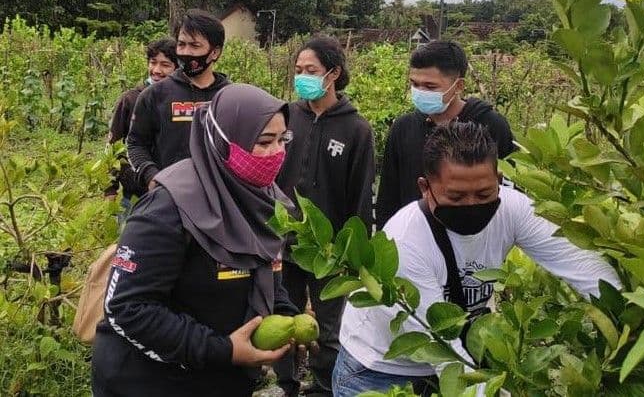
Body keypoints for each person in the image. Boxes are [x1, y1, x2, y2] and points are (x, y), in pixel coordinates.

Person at [333, 121, 621, 396]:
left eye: (484, 193)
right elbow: (443, 352)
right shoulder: (405, 241)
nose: (472, 205)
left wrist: (627, 319)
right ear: (425, 187)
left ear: (499, 180)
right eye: (456, 197)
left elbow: (582, 264)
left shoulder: (514, 209)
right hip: (379, 370)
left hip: (452, 363)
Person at [92, 84, 302, 396]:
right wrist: (222, 349)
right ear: (223, 141)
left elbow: (266, 275)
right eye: (263, 142)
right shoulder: (169, 208)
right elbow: (128, 307)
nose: (276, 153)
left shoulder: (263, 202)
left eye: (282, 139)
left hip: (219, 379)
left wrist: (286, 315)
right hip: (151, 382)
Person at [274, 36, 376, 396]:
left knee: (331, 327)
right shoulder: (285, 117)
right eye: (299, 70)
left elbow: (361, 196)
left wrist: (353, 255)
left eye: (311, 71)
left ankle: (323, 387)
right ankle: (286, 383)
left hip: (328, 251)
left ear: (333, 73)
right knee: (282, 320)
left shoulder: (356, 130)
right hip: (283, 243)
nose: (302, 77)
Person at [375, 40, 515, 229]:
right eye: (414, 84)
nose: (420, 92)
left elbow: (509, 192)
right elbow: (388, 195)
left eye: (430, 87)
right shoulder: (403, 128)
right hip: (414, 239)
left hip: (476, 240)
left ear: (458, 86)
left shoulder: (491, 125)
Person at [127, 9, 230, 192]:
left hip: (218, 197)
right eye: (181, 44)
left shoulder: (231, 97)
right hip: (169, 197)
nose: (185, 52)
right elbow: (135, 143)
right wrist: (152, 178)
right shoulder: (154, 95)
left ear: (215, 52)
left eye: (195, 46)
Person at [104, 37, 177, 221]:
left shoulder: (180, 102)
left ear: (177, 68)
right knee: (127, 240)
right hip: (134, 191)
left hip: (171, 191)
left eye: (165, 65)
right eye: (153, 63)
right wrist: (110, 188)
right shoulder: (130, 99)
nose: (157, 70)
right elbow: (113, 147)